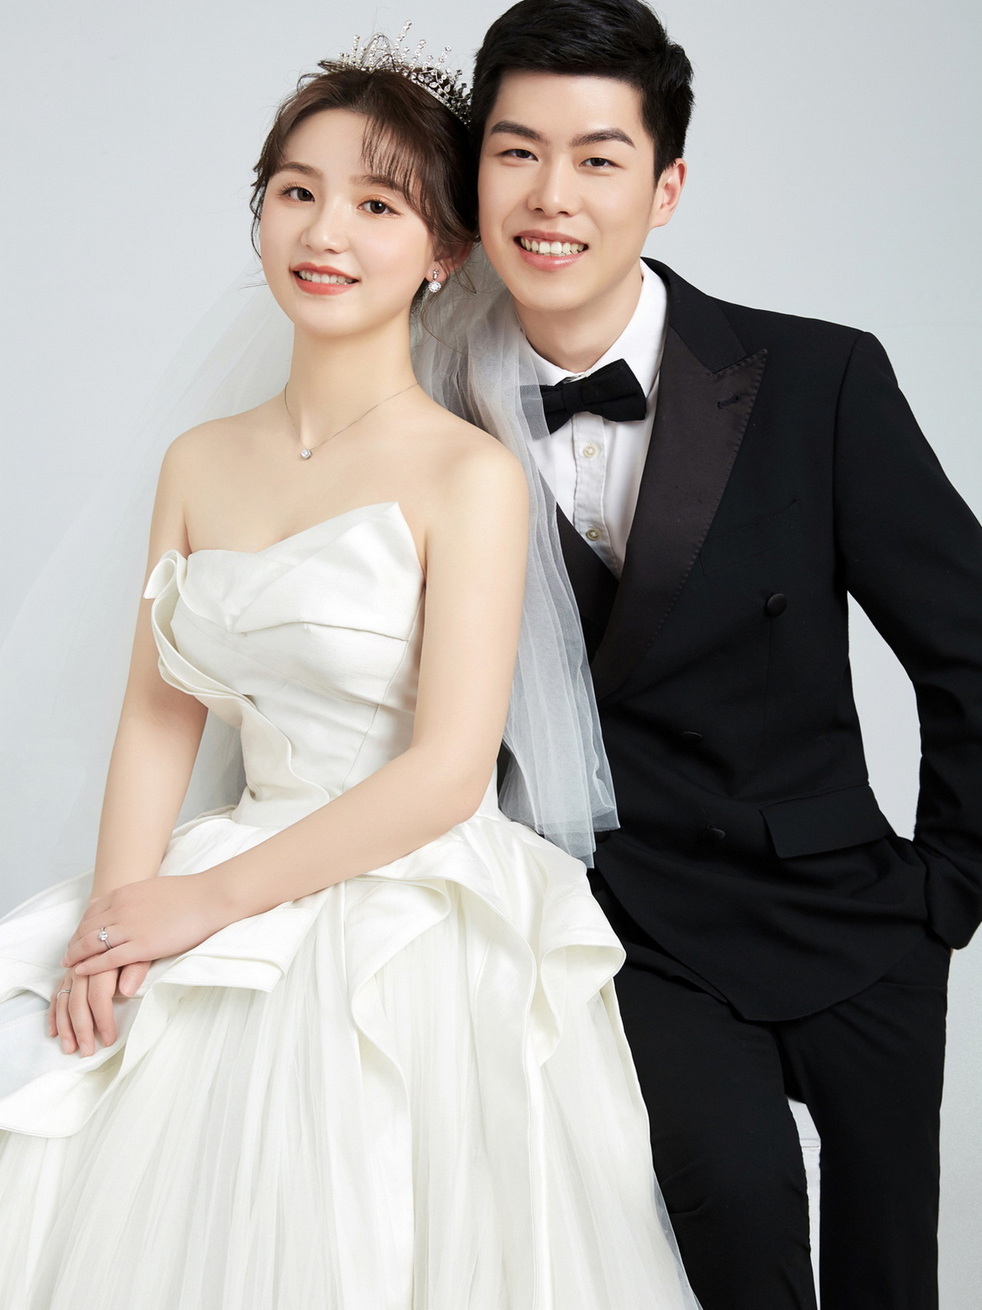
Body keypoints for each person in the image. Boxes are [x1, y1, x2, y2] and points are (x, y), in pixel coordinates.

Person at [0, 36, 700, 1310]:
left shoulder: (468, 473)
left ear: (442, 251)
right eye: (297, 190)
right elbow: (158, 711)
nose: (325, 231)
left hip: (407, 905)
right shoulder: (198, 458)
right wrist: (114, 918)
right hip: (214, 865)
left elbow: (446, 771)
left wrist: (207, 903)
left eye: (378, 204)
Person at [417, 1, 982, 1307]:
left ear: (665, 189)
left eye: (598, 157)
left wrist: (946, 890)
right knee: (737, 1228)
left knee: (889, 1276)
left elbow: (967, 640)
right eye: (516, 151)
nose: (551, 196)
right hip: (628, 930)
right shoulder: (423, 402)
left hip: (846, 910)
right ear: (473, 172)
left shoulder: (818, 377)